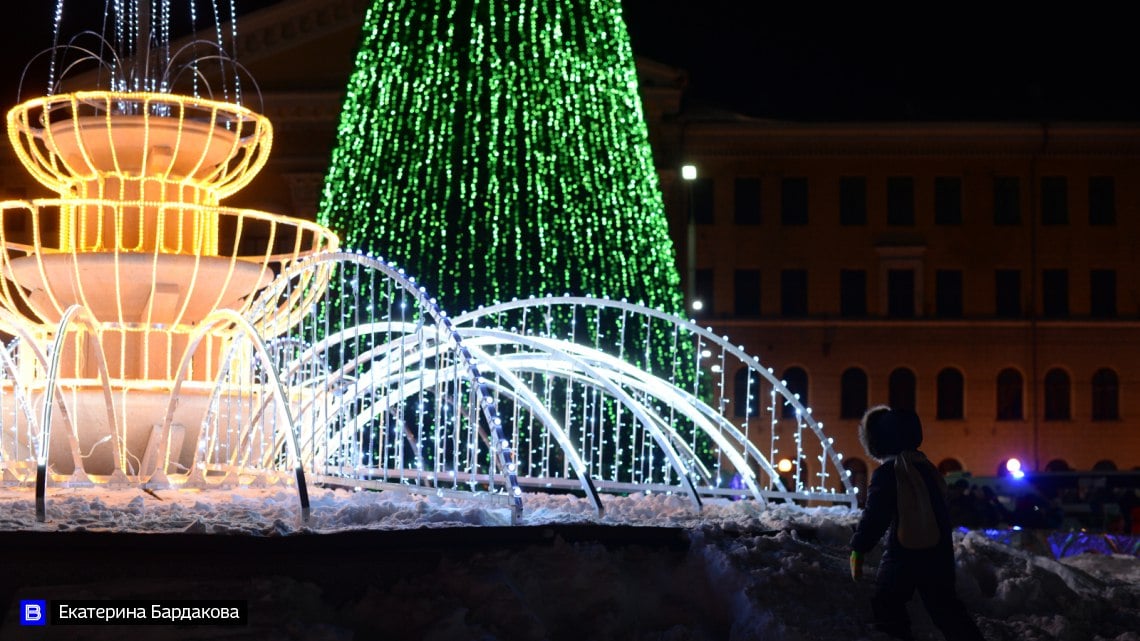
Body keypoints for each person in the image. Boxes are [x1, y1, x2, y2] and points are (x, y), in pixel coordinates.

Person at [849, 407, 986, 641]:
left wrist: (859, 547)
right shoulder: (926, 468)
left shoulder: (889, 472)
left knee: (887, 603)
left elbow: (876, 515)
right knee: (946, 609)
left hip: (905, 553)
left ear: (879, 442)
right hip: (939, 551)